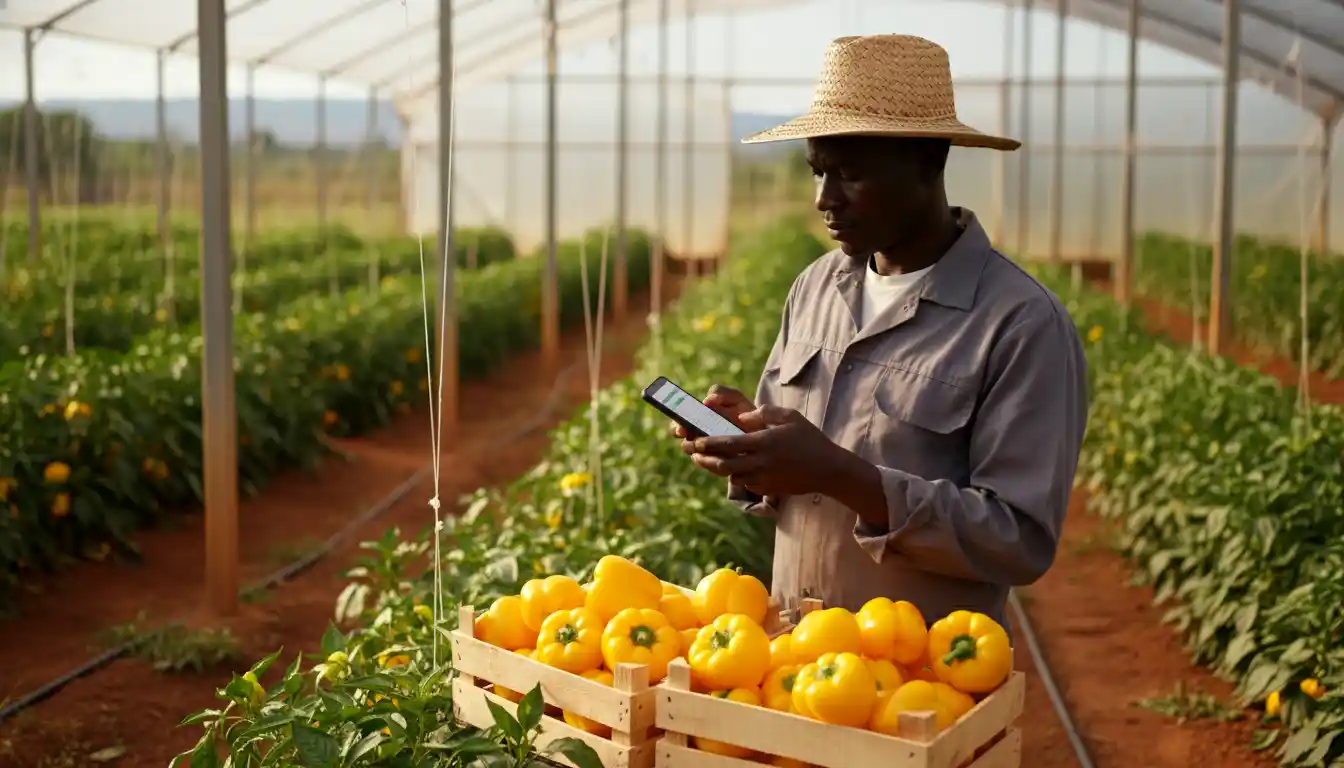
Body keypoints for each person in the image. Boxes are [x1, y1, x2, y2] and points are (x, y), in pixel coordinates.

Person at [671, 34, 1089, 631]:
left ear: (928, 163)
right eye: (817, 171)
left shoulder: (1020, 323)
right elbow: (793, 477)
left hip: (918, 687)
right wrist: (745, 447)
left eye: (850, 175)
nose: (823, 199)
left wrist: (841, 475)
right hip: (792, 659)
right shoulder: (814, 288)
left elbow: (1017, 540)